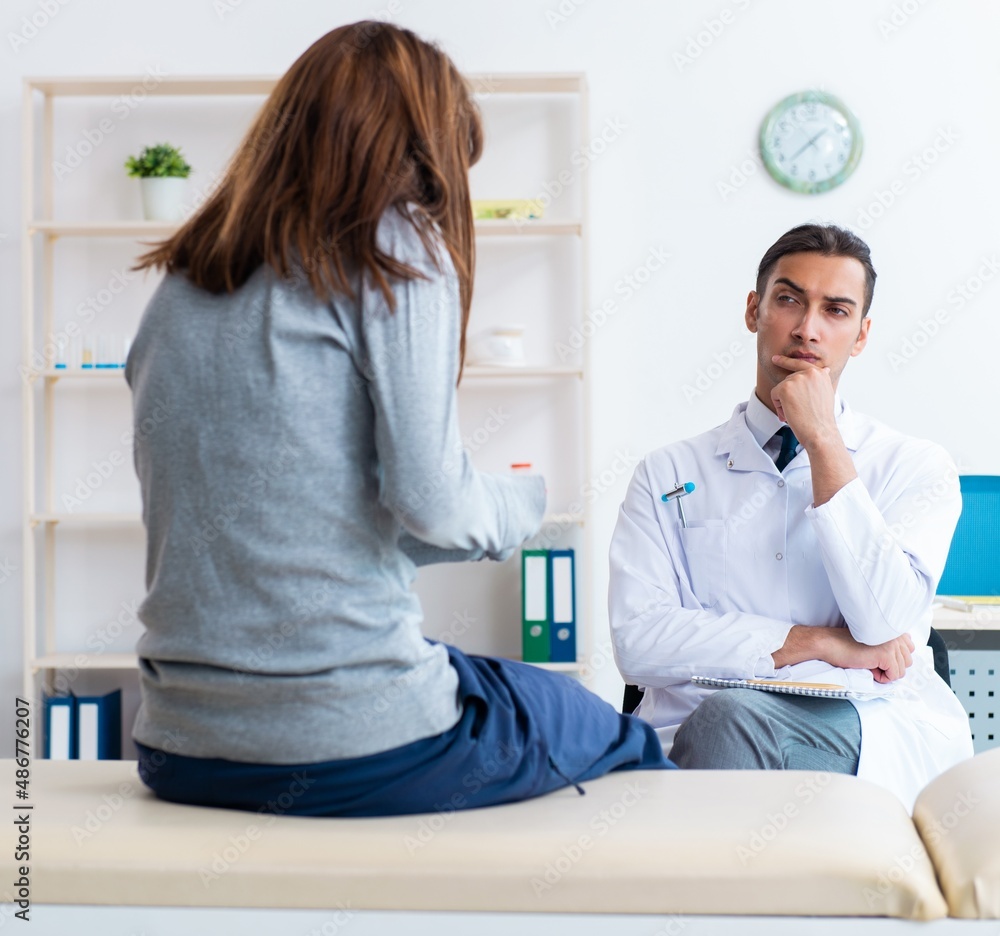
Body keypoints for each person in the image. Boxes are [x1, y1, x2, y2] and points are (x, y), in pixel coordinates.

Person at [125, 22, 672, 818]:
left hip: (179, 744)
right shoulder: (395, 244)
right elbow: (435, 504)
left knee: (475, 677)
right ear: (421, 149)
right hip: (350, 744)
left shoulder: (185, 278)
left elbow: (303, 517)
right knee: (618, 734)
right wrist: (523, 505)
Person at [608, 223, 973, 811]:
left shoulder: (916, 466)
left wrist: (823, 440)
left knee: (730, 724)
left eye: (836, 310)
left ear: (860, 335)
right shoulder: (666, 472)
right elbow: (639, 641)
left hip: (857, 722)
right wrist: (819, 642)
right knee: (710, 723)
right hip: (690, 726)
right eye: (789, 300)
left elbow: (883, 623)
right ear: (754, 310)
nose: (808, 328)